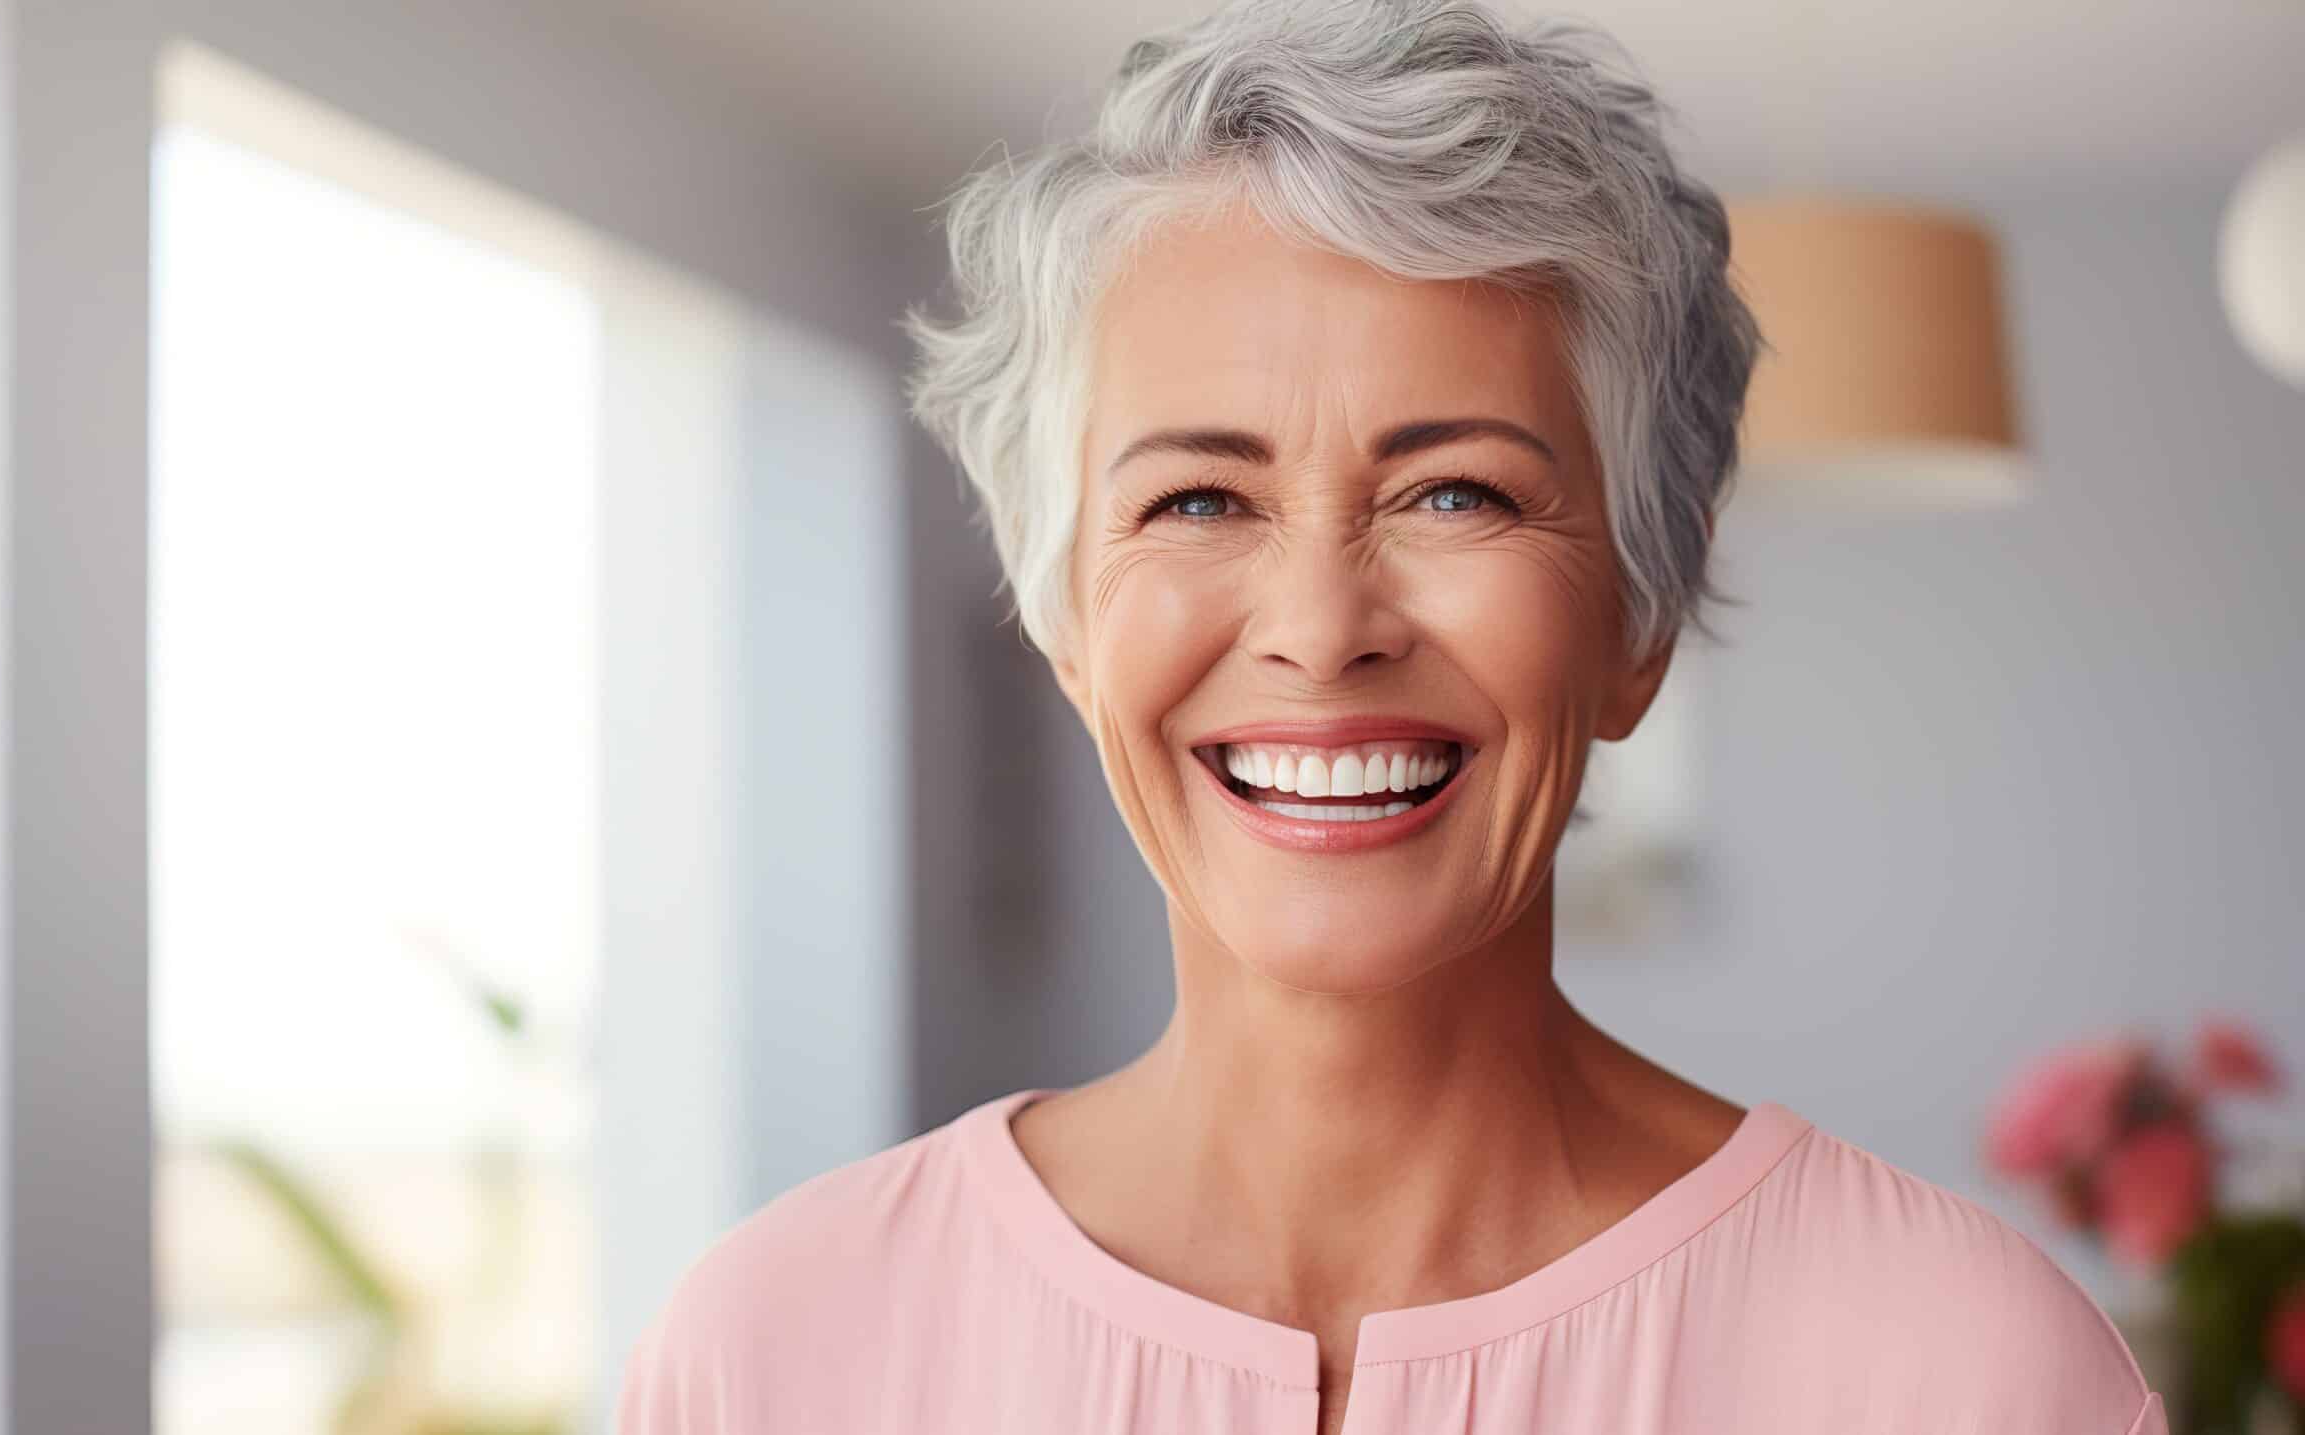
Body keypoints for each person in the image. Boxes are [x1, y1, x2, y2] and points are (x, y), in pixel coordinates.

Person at [616, 1, 2168, 1430]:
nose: (1319, 629)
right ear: (1067, 620)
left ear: (1639, 619)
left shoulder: (1963, 1373)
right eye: (1201, 497)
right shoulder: (776, 1351)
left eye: (1456, 491)